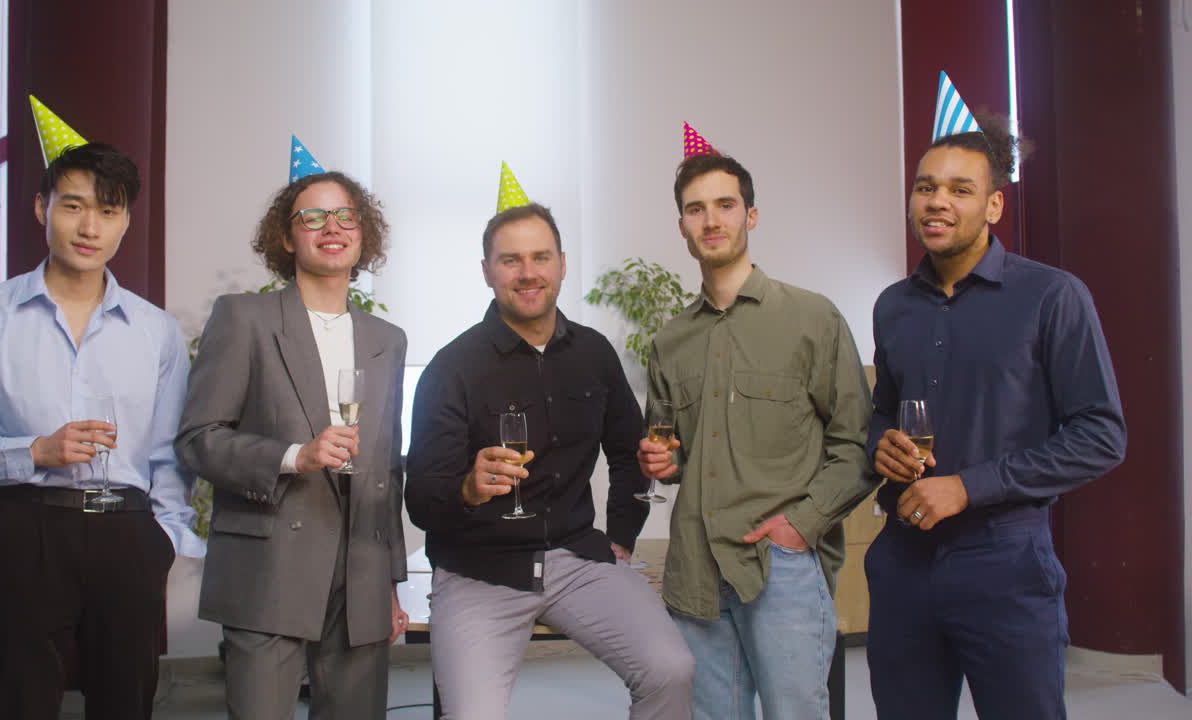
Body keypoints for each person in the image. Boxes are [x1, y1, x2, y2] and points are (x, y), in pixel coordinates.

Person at [0, 138, 200, 719]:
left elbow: (172, 453)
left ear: (125, 221)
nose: (89, 226)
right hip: (28, 529)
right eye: (73, 206)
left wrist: (164, 538)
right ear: (43, 208)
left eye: (108, 210)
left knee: (125, 702)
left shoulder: (157, 331)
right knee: (15, 699)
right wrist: (33, 451)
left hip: (129, 534)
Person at [865, 101, 1125, 718]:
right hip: (903, 562)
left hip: (1006, 563)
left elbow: (1100, 435)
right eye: (926, 187)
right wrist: (882, 443)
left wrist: (969, 487)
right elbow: (883, 409)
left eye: (960, 189)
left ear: (993, 206)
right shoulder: (892, 305)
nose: (937, 202)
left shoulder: (1053, 296)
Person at [406, 181, 694, 720]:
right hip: (479, 571)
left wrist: (623, 538)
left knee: (671, 670)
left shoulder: (593, 352)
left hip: (578, 560)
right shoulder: (451, 367)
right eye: (511, 260)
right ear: (488, 271)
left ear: (562, 264)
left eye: (541, 257)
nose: (528, 272)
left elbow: (630, 453)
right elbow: (420, 497)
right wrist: (467, 487)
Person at [638, 140, 874, 719]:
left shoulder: (812, 319)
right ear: (681, 225)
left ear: (751, 215)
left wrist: (802, 525)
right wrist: (662, 462)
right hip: (695, 570)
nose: (711, 219)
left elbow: (856, 444)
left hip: (780, 567)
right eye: (696, 209)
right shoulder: (669, 342)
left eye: (725, 204)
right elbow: (673, 452)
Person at [176, 169, 409, 719]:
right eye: (312, 216)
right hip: (269, 563)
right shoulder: (244, 318)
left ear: (364, 233)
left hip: (361, 572)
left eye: (346, 215)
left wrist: (391, 583)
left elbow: (388, 471)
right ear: (287, 237)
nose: (332, 227)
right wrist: (292, 457)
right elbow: (197, 439)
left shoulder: (387, 340)